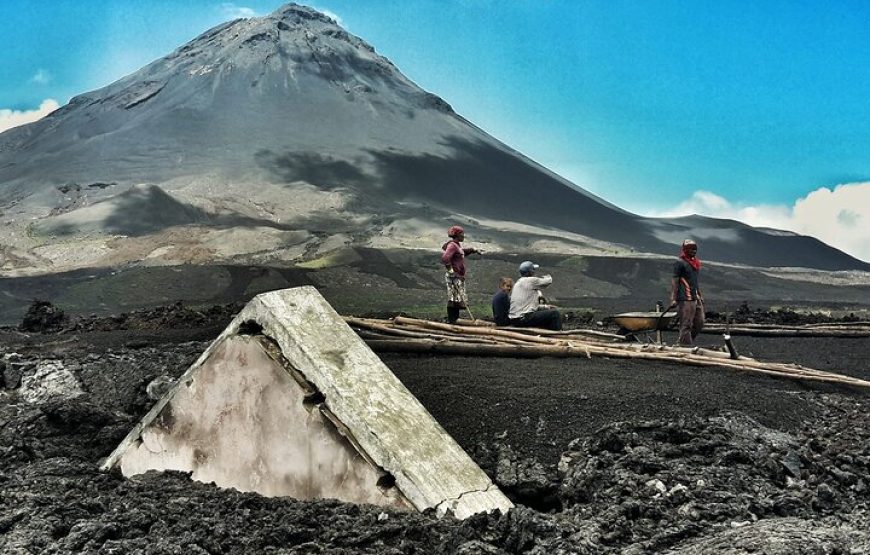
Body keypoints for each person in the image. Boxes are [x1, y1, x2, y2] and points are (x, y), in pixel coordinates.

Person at [440, 225, 481, 324]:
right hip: (454, 276)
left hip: (458, 276)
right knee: (454, 296)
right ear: (457, 235)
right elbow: (445, 258)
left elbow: (460, 254)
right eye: (462, 234)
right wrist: (450, 270)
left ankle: (454, 319)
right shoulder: (452, 245)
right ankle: (452, 319)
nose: (463, 236)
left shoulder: (456, 245)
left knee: (456, 296)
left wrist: (472, 250)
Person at [669, 238, 705, 346]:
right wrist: (673, 298)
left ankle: (683, 342)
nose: (693, 251)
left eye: (695, 249)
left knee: (700, 322)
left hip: (695, 297)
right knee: (686, 324)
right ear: (685, 250)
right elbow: (675, 281)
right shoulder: (680, 263)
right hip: (685, 298)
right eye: (691, 249)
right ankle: (685, 347)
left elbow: (694, 281)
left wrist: (700, 295)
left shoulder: (696, 263)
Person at [508, 261, 562, 330]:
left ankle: (548, 333)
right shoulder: (530, 280)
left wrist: (545, 307)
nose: (534, 272)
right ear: (530, 272)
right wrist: (547, 275)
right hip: (523, 319)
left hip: (515, 319)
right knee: (555, 314)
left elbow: (528, 306)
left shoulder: (518, 283)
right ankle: (557, 335)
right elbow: (548, 281)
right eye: (533, 270)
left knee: (545, 314)